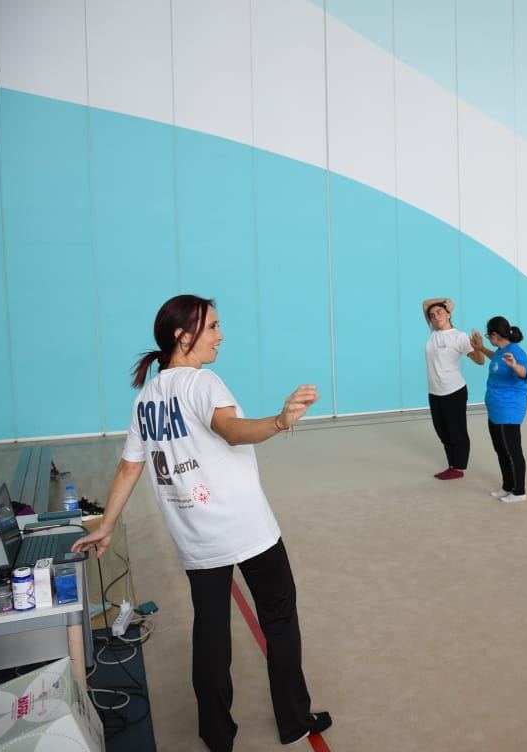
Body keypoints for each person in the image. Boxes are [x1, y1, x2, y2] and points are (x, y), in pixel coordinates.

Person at [71, 295, 332, 751]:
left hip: (195, 537)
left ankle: (216, 734)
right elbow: (230, 430)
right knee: (279, 619)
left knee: (210, 634)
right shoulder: (203, 383)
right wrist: (279, 420)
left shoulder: (146, 399)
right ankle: (293, 719)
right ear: (182, 336)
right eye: (212, 327)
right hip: (248, 529)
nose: (220, 335)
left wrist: (107, 524)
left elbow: (130, 466)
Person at [470, 317, 527, 503]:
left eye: (488, 336)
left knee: (512, 450)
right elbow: (496, 358)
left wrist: (514, 366)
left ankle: (519, 491)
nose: (488, 338)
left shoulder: (516, 352)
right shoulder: (501, 350)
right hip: (496, 407)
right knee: (500, 449)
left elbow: (524, 372)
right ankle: (507, 486)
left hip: (509, 408)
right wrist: (480, 348)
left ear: (494, 335)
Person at [422, 297, 486, 480]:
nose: (435, 316)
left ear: (448, 314)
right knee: (441, 430)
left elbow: (480, 361)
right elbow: (425, 304)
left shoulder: (459, 336)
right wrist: (444, 300)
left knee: (456, 430)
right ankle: (452, 464)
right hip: (434, 392)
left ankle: (458, 468)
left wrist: (479, 346)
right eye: (432, 315)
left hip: (454, 391)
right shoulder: (433, 332)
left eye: (440, 312)